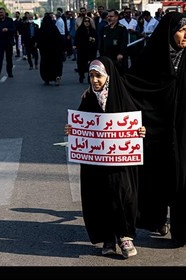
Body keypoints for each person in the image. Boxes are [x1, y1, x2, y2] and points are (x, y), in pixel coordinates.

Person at [123, 12, 186, 247]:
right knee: (159, 178)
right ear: (169, 32)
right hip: (158, 132)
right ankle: (157, 219)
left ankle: (181, 229)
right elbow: (131, 84)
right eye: (181, 30)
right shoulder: (152, 57)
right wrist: (102, 89)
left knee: (184, 178)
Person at [65, 57, 146, 258]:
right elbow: (81, 124)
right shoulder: (88, 99)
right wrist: (72, 129)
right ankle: (108, 238)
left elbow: (134, 124)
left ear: (108, 76)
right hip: (96, 165)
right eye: (91, 76)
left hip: (120, 164)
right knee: (100, 197)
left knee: (123, 194)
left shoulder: (122, 97)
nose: (94, 80)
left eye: (98, 76)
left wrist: (141, 131)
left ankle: (125, 236)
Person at [37, 14, 65, 86]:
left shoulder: (42, 29)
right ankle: (57, 77)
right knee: (56, 64)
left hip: (45, 52)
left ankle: (46, 79)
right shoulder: (54, 28)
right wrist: (62, 49)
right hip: (55, 51)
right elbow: (59, 39)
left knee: (45, 65)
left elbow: (39, 40)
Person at [0, 7, 15, 79]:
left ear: (5, 13)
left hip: (8, 42)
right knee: (0, 58)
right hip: (0, 42)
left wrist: (7, 29)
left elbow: (13, 29)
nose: (0, 14)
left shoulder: (10, 20)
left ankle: (10, 72)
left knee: (9, 58)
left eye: (1, 12)